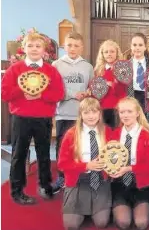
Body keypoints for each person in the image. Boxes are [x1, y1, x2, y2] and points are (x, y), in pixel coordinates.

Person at [1, 32, 64, 204]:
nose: (34, 49)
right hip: (21, 117)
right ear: (24, 48)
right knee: (19, 154)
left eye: (38, 46)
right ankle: (17, 190)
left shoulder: (51, 71)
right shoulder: (15, 69)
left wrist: (40, 95)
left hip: (43, 118)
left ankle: (45, 185)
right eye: (31, 46)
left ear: (44, 50)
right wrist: (22, 90)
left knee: (44, 154)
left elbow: (59, 93)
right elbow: (5, 93)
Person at [57, 97, 113, 230]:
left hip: (100, 180)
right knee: (71, 225)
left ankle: (93, 208)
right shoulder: (71, 134)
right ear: (80, 115)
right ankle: (84, 208)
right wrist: (86, 166)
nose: (91, 116)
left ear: (100, 113)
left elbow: (115, 155)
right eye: (86, 113)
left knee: (101, 223)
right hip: (77, 181)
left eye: (94, 112)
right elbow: (62, 164)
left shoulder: (108, 131)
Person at [51, 31, 94, 194]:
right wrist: (72, 94)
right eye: (69, 45)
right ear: (64, 45)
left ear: (82, 47)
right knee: (63, 145)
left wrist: (88, 92)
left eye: (76, 45)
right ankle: (62, 176)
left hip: (82, 115)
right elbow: (54, 89)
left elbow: (93, 87)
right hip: (64, 112)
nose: (73, 48)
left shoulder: (88, 66)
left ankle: (82, 174)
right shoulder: (56, 65)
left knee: (82, 145)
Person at [111, 97, 149, 230]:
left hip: (142, 186)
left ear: (138, 113)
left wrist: (128, 168)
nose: (125, 115)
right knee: (123, 222)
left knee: (141, 223)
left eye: (129, 111)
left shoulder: (146, 136)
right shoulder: (115, 134)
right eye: (122, 112)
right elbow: (108, 159)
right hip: (120, 185)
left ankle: (146, 208)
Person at [126, 33, 149, 123]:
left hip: (147, 100)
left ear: (145, 47)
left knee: (146, 130)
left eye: (140, 45)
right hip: (131, 98)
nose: (137, 48)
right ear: (131, 47)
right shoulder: (125, 65)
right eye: (134, 45)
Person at [93, 39, 126, 128]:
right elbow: (95, 91)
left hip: (118, 107)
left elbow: (124, 89)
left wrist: (113, 84)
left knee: (116, 134)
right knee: (104, 134)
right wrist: (104, 85)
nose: (109, 54)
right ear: (102, 54)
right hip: (102, 107)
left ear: (117, 53)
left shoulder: (122, 68)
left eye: (112, 51)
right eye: (106, 52)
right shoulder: (98, 71)